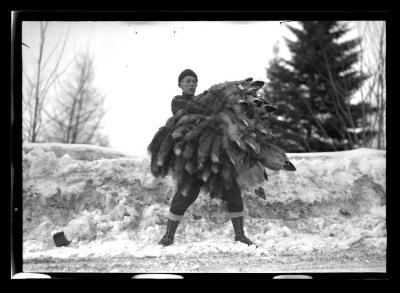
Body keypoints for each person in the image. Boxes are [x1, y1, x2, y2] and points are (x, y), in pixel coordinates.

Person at [158, 69, 255, 247]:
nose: (192, 83)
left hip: (213, 156)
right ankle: (168, 236)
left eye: (194, 81)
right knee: (185, 195)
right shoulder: (178, 101)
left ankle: (240, 235)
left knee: (232, 191)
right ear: (180, 84)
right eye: (187, 81)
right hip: (191, 158)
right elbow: (193, 111)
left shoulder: (205, 102)